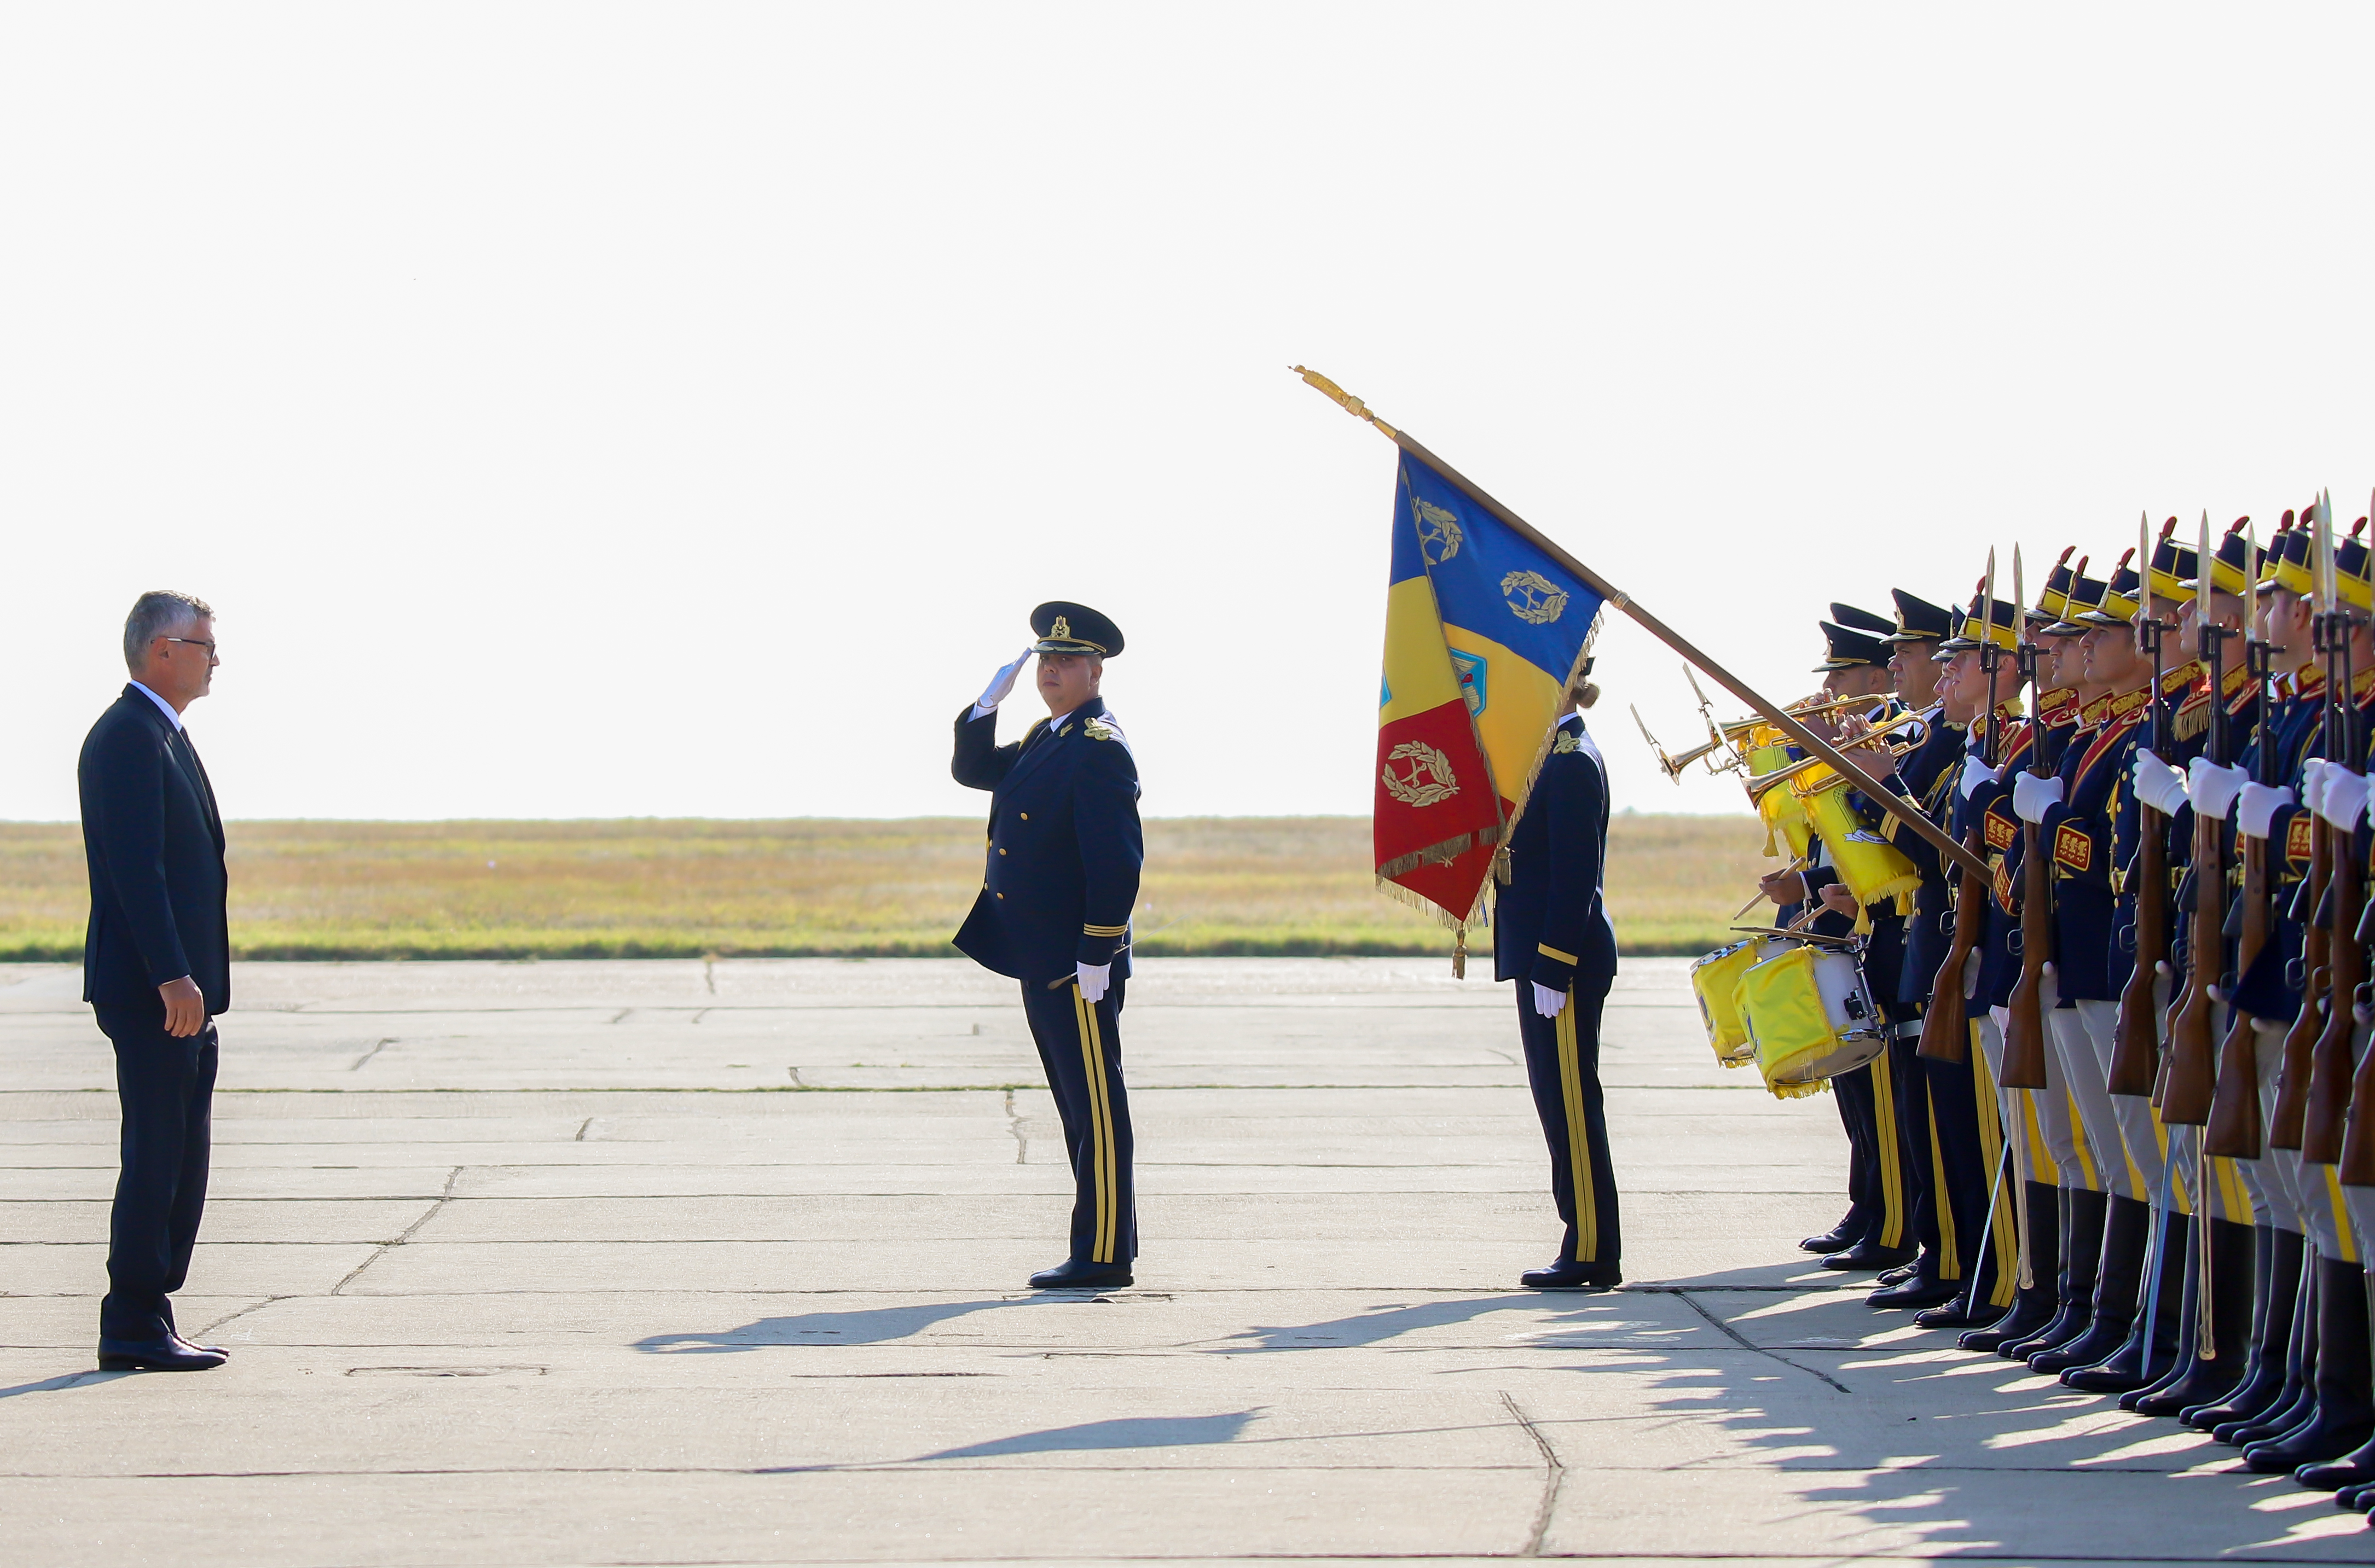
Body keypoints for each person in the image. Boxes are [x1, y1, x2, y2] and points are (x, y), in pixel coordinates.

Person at [952, 602, 1144, 1291]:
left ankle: (1102, 1255)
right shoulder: (1049, 733)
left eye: (1066, 662)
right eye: (1045, 661)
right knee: (1075, 1103)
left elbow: (1117, 862)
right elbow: (976, 773)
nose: (1051, 671)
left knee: (1096, 1104)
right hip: (1042, 952)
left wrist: (1096, 951)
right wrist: (983, 707)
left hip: (1073, 961)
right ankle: (1100, 1245)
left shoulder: (1097, 746)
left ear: (1095, 671)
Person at [79, 590, 231, 1373]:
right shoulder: (130, 737)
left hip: (177, 992)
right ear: (162, 650)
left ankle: (149, 1311)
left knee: (180, 1154)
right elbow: (138, 874)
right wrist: (172, 972)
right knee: (158, 1152)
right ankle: (133, 1316)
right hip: (153, 992)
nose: (217, 658)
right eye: (205, 644)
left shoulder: (160, 733)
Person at [1493, 661, 1621, 1288]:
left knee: (1571, 1104)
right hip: (1544, 956)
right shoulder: (1548, 753)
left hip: (1561, 961)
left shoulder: (1570, 758)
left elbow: (1576, 879)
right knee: (1556, 1102)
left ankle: (1592, 1247)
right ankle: (1582, 1237)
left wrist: (1553, 963)